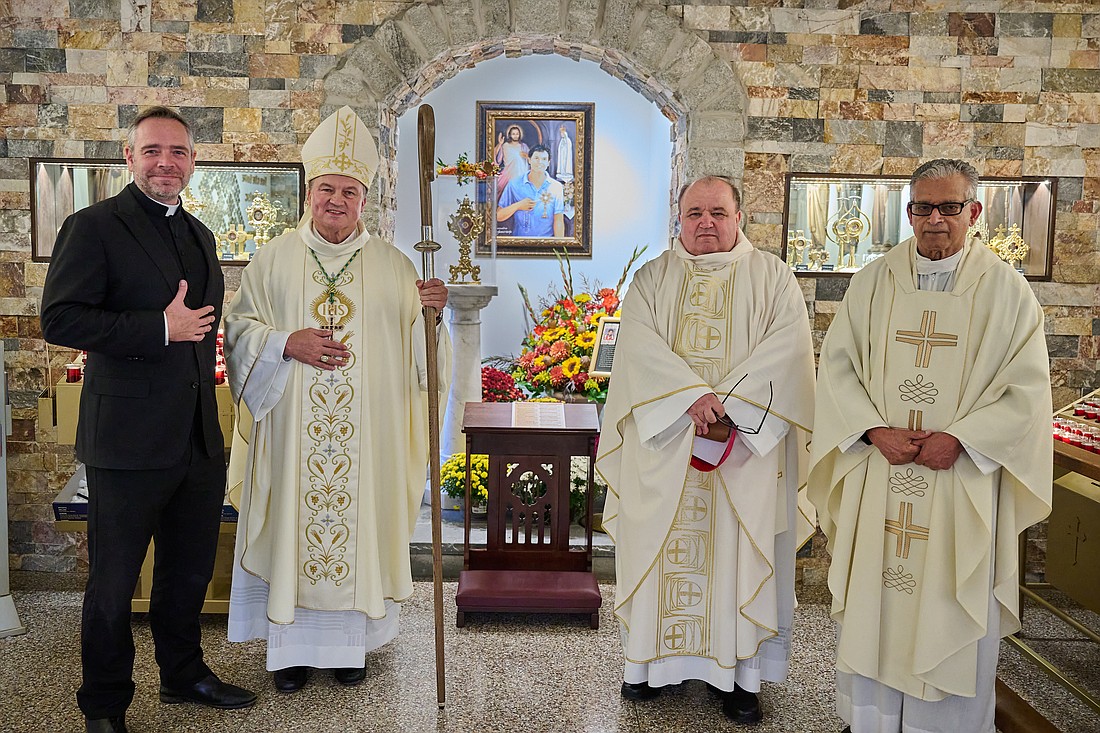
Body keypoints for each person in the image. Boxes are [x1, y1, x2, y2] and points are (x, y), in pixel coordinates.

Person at [808, 159, 1052, 733]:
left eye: (948, 207)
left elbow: (1027, 393)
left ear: (974, 211)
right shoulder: (872, 282)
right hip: (880, 473)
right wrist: (872, 430)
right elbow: (838, 371)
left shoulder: (1008, 292)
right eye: (922, 208)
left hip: (958, 483)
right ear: (908, 211)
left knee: (947, 597)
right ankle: (870, 720)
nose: (934, 220)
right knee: (879, 600)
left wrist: (964, 440)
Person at [40, 106, 257, 733]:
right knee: (112, 585)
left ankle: (183, 672)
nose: (167, 163)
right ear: (129, 158)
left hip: (194, 435)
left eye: (179, 152)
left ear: (193, 161)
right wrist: (159, 327)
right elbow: (61, 319)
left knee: (187, 572)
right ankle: (104, 705)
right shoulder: (93, 227)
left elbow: (208, 326)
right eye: (154, 151)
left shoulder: (199, 234)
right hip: (127, 441)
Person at [223, 106, 451, 693]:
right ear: (310, 189)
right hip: (290, 435)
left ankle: (351, 648)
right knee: (294, 527)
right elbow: (239, 333)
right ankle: (290, 653)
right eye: (327, 188)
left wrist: (432, 318)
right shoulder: (273, 260)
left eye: (349, 191)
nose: (336, 200)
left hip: (365, 442)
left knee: (355, 525)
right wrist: (283, 343)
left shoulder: (398, 268)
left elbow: (424, 367)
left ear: (364, 200)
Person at [595, 176, 816, 724]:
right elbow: (638, 352)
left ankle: (739, 678)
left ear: (739, 216)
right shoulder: (652, 279)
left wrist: (727, 407)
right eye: (694, 212)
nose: (706, 223)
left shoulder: (773, 278)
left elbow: (788, 353)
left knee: (737, 554)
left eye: (718, 212)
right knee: (659, 552)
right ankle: (646, 667)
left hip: (744, 453)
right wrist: (691, 397)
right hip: (665, 450)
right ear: (679, 218)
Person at [496, 145, 565, 238]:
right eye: (536, 158)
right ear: (529, 160)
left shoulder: (556, 187)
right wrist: (518, 205)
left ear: (548, 162)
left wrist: (559, 247)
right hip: (519, 243)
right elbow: (498, 216)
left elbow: (559, 220)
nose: (540, 162)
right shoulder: (514, 184)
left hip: (547, 244)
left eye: (544, 159)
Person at [493, 123, 529, 198]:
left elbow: (530, 159)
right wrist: (500, 144)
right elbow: (496, 157)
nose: (515, 135)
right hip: (508, 173)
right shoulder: (505, 145)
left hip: (520, 173)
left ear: (520, 135)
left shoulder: (523, 146)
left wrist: (526, 156)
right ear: (510, 135)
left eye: (517, 134)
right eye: (513, 134)